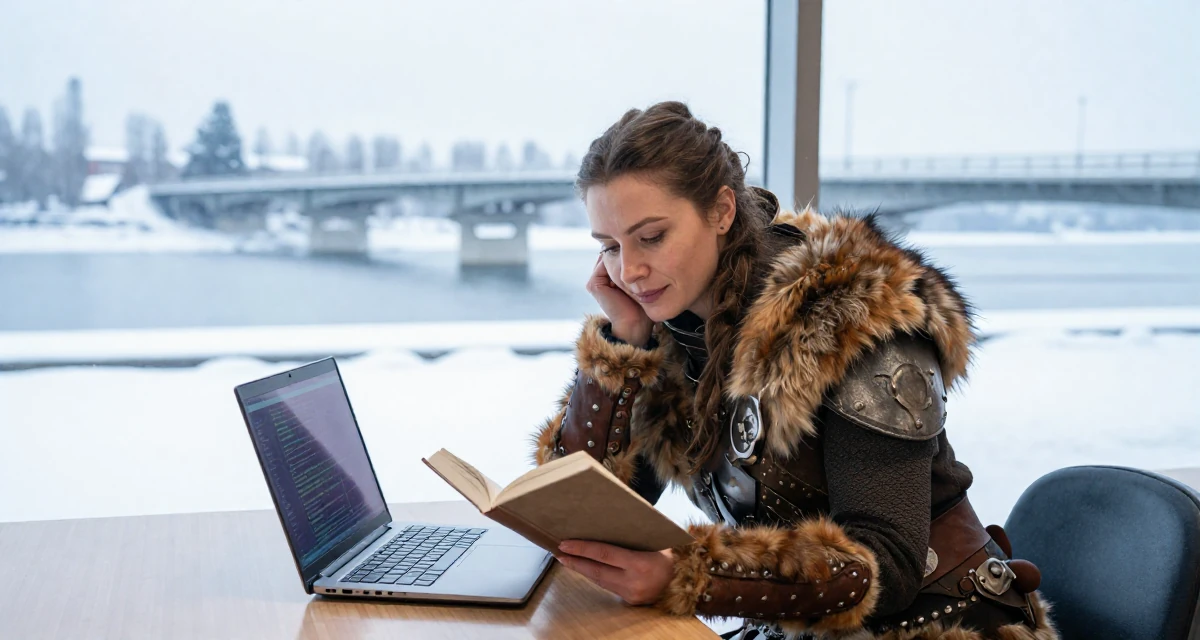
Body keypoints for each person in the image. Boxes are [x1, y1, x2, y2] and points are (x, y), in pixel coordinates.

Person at [531, 102, 1057, 640]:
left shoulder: (846, 315)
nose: (630, 270)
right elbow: (582, 511)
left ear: (722, 211)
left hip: (940, 624)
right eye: (611, 247)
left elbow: (891, 565)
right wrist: (622, 342)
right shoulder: (670, 319)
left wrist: (693, 575)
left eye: (652, 237)